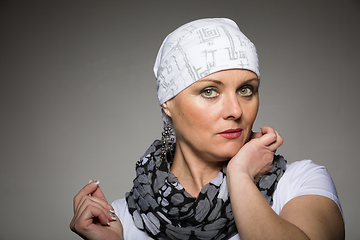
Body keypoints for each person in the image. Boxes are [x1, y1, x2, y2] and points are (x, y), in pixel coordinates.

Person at [70, 18, 345, 240]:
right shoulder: (119, 220)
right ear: (168, 103)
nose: (236, 110)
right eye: (210, 91)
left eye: (246, 89)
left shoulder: (300, 184)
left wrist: (239, 176)